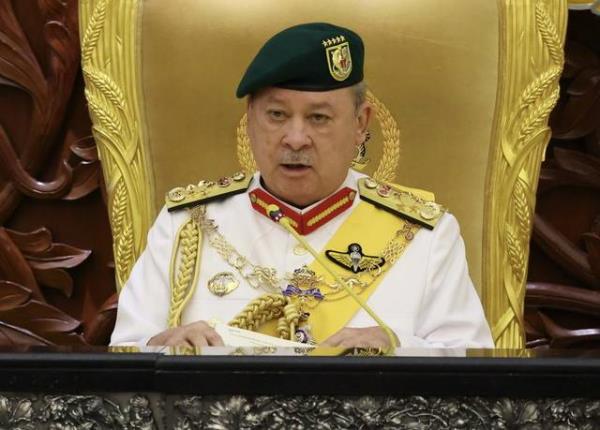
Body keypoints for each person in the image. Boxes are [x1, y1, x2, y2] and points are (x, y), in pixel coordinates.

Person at [110, 22, 493, 349]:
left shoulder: (424, 236)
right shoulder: (187, 225)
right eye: (277, 115)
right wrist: (166, 346)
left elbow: (475, 373)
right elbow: (124, 357)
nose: (295, 139)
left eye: (319, 118)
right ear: (250, 119)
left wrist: (397, 348)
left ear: (361, 123)